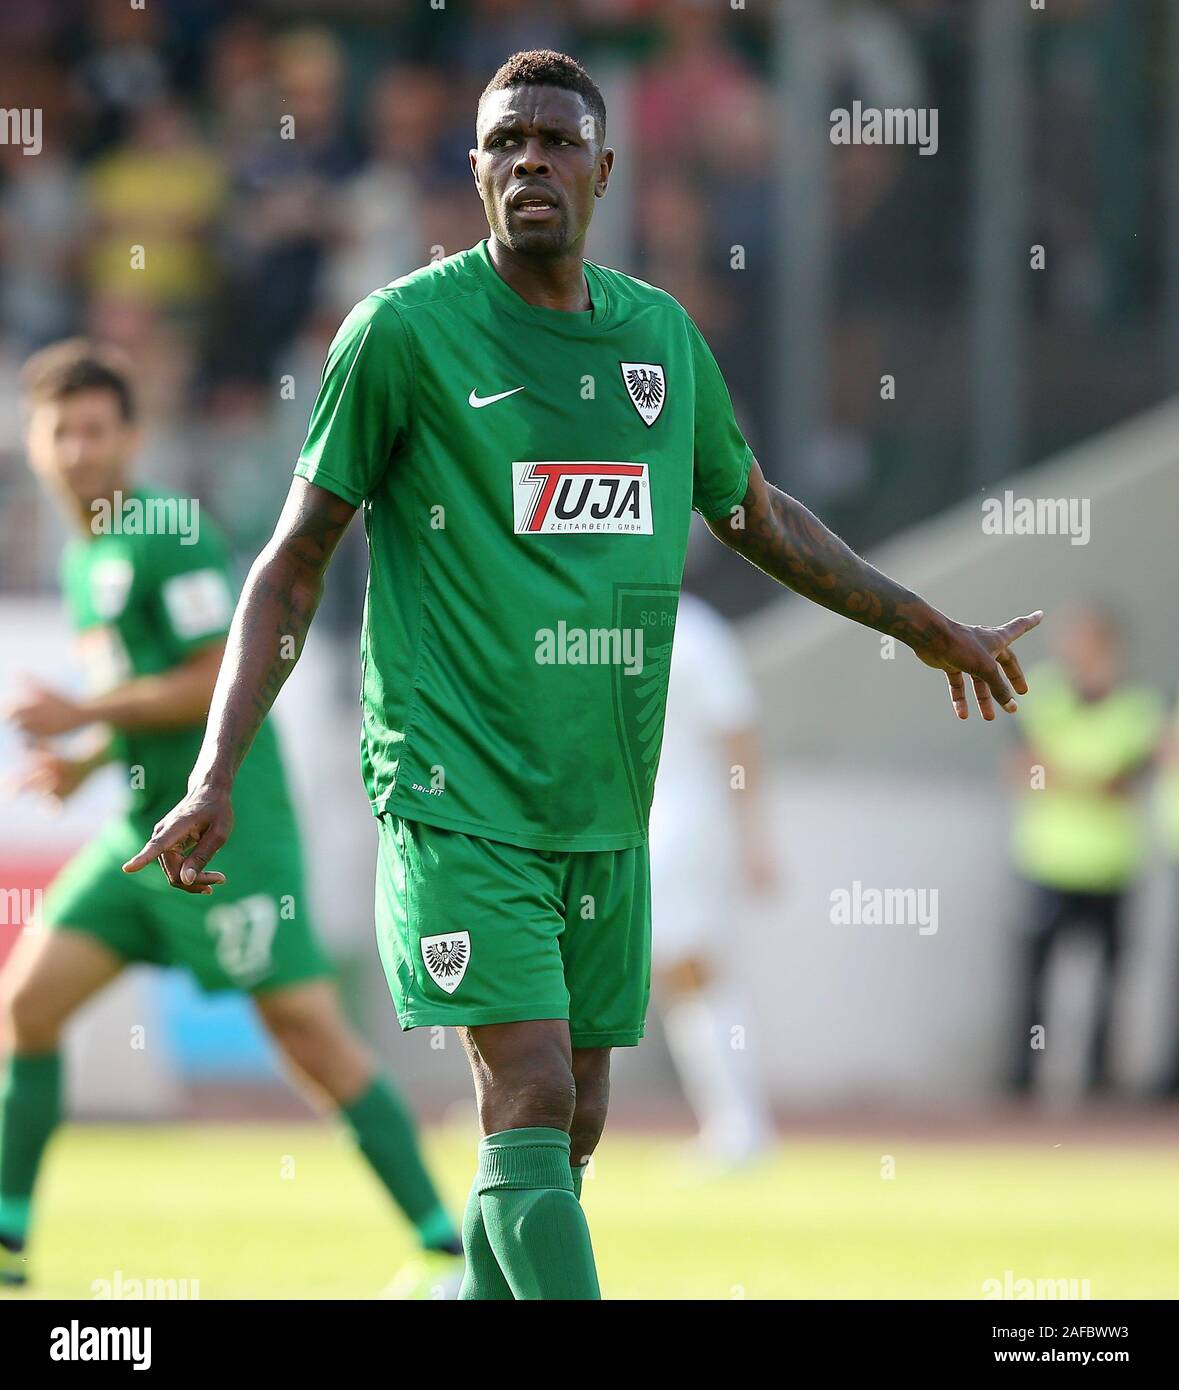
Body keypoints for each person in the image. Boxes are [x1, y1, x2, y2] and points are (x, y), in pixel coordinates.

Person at [127, 50, 1042, 1301]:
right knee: (534, 1088)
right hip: (453, 790)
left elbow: (759, 517)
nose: (531, 162)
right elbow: (291, 563)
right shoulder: (402, 333)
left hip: (603, 806)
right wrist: (217, 766)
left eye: (557, 141)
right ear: (476, 170)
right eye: (506, 143)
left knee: (573, 1124)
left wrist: (927, 625)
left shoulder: (658, 337)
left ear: (605, 169)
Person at [0, 340, 463, 1296]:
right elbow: (146, 688)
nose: (79, 448)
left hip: (226, 830)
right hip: (139, 836)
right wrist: (91, 756)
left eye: (97, 428)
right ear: (34, 443)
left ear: (131, 437)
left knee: (307, 1034)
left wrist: (86, 715)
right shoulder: (92, 557)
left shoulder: (164, 527)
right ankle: (7, 1242)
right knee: (26, 1006)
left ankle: (444, 1247)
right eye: (60, 430)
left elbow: (217, 675)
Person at [1006, 605, 1162, 1096]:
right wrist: (1091, 780)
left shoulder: (1137, 705)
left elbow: (1128, 783)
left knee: (1108, 986)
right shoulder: (1042, 693)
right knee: (1033, 984)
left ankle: (1098, 1087)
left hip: (1110, 866)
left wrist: (1064, 775)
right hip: (1046, 860)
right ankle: (1022, 1083)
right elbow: (1023, 768)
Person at [649, 586, 775, 1166]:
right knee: (682, 973)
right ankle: (734, 1125)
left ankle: (739, 1128)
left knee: (692, 968)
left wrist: (754, 836)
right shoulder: (618, 619)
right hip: (648, 820)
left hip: (684, 820)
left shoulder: (696, 633)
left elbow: (738, 734)